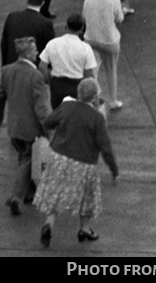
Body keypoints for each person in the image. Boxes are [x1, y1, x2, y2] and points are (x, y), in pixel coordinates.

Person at [36, 78, 119, 247]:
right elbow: (105, 147)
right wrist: (114, 170)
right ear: (95, 98)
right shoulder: (97, 117)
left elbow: (49, 121)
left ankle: (49, 224)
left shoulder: (67, 107)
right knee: (87, 196)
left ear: (79, 93)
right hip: (84, 162)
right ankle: (84, 228)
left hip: (59, 157)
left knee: (54, 191)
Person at [0, 36, 52, 216]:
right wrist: (49, 130)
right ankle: (16, 196)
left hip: (14, 126)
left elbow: (0, 97)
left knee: (23, 158)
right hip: (31, 128)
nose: (37, 53)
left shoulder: (6, 71)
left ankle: (27, 193)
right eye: (34, 50)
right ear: (28, 53)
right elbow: (41, 108)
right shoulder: (36, 76)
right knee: (28, 159)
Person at [82, 0, 125, 110]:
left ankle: (94, 97)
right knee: (111, 70)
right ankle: (113, 100)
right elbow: (119, 19)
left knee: (92, 71)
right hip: (110, 41)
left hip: (90, 39)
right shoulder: (114, 1)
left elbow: (83, 17)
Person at [39, 14, 98, 108]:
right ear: (82, 29)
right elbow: (89, 74)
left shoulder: (53, 43)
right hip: (76, 87)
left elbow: (42, 66)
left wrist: (50, 81)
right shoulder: (85, 48)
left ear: (65, 27)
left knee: (57, 114)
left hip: (57, 85)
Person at [0, 0, 56, 68]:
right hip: (32, 68)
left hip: (11, 65)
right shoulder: (45, 23)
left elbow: (4, 44)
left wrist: (5, 66)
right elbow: (49, 49)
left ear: (27, 1)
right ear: (42, 3)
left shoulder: (12, 17)